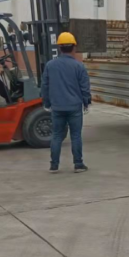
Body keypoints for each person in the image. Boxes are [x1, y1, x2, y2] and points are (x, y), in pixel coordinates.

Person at [41, 32, 91, 173]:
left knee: (57, 135)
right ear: (74, 47)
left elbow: (45, 86)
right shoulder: (79, 66)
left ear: (59, 48)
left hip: (57, 106)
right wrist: (86, 103)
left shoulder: (50, 65)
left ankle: (54, 165)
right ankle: (78, 164)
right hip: (74, 107)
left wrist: (47, 103)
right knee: (76, 136)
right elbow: (85, 87)